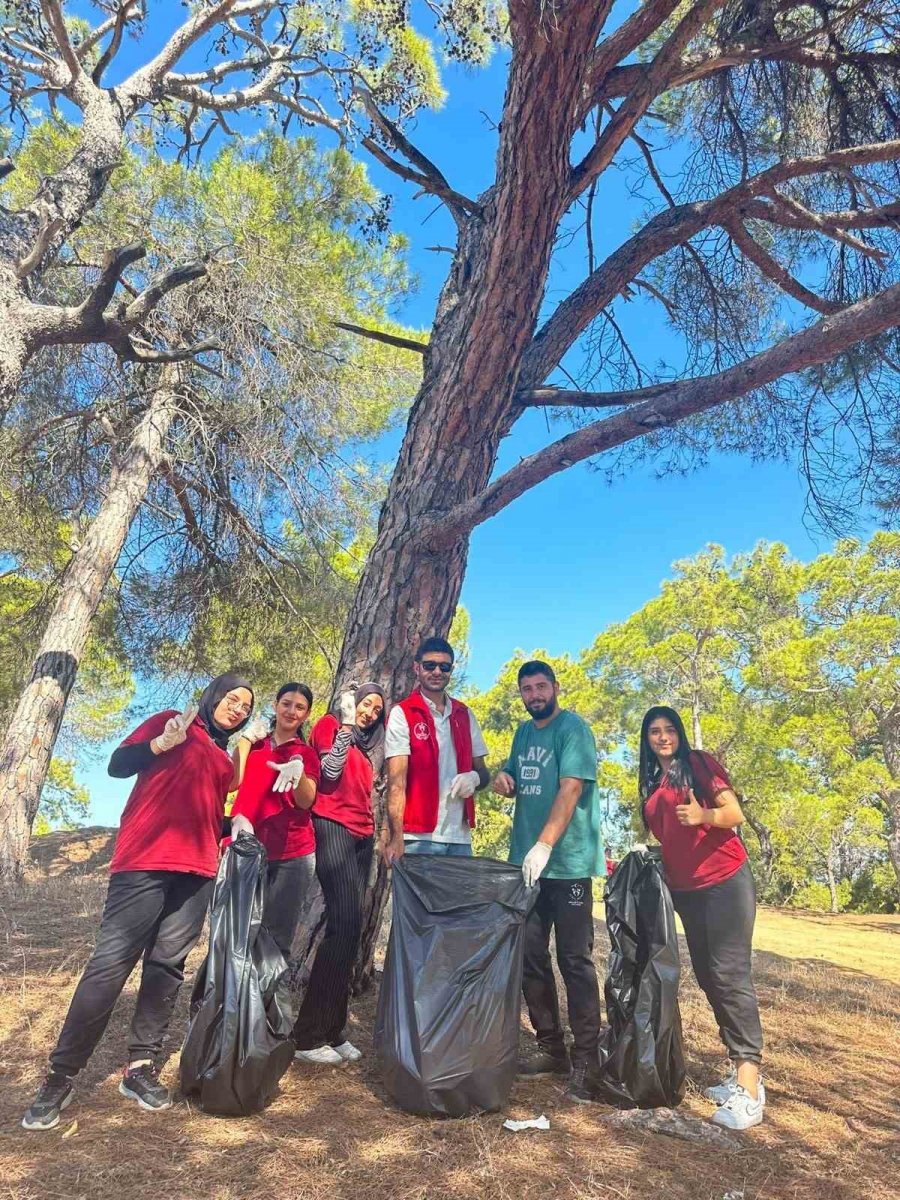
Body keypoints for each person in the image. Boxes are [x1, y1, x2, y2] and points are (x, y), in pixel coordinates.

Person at [22, 673, 255, 1131]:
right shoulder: (172, 722)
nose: (238, 708)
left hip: (198, 871)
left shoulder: (225, 759)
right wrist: (158, 746)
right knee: (110, 964)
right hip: (145, 860)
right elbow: (117, 765)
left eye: (246, 706)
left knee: (167, 965)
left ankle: (140, 1067)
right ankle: (60, 1076)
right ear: (212, 696)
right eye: (232, 698)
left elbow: (203, 810)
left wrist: (235, 825)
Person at [638, 704, 765, 1131]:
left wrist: (703, 815)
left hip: (725, 881)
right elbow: (670, 839)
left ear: (679, 734)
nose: (662, 737)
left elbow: (734, 814)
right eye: (654, 731)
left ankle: (750, 1086)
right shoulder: (653, 782)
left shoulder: (697, 764)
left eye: (669, 729)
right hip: (687, 894)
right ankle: (737, 1070)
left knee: (729, 975)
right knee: (710, 978)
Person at [493, 660, 604, 1104]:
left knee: (575, 960)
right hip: (527, 867)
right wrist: (503, 780)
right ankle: (550, 1046)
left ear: (555, 688)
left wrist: (544, 844)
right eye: (527, 689)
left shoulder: (573, 730)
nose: (534, 694)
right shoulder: (523, 734)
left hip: (568, 864)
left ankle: (588, 1057)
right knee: (530, 957)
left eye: (541, 686)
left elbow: (571, 788)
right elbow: (515, 777)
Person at [292, 681, 387, 1065]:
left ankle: (334, 1028)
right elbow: (329, 774)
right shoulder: (331, 726)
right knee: (342, 926)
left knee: (352, 931)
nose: (371, 712)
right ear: (354, 703)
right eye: (367, 704)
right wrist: (347, 724)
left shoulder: (365, 753)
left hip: (363, 837)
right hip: (333, 828)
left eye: (377, 709)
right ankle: (307, 1036)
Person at [228, 682, 321, 961]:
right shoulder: (254, 745)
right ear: (275, 705)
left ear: (306, 715)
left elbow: (307, 801)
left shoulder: (306, 754)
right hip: (247, 849)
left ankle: (265, 1002)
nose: (291, 711)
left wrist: (298, 775)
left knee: (276, 939)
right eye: (286, 704)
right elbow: (233, 782)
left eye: (300, 707)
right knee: (237, 933)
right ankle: (233, 1001)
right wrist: (244, 740)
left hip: (292, 854)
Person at [382, 636, 489, 861]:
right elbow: (396, 782)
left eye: (444, 666)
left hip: (459, 838)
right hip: (417, 838)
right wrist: (396, 836)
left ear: (451, 670)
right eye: (430, 665)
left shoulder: (465, 715)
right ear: (417, 667)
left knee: (460, 899)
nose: (437, 671)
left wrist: (474, 778)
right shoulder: (403, 714)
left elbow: (484, 773)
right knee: (414, 899)